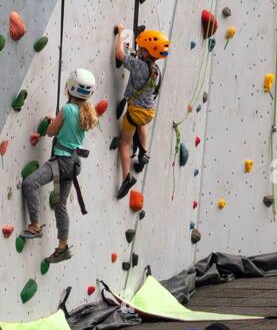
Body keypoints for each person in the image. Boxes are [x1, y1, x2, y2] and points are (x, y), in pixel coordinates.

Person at [21, 68, 99, 263]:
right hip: (74, 164)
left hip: (61, 162)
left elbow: (50, 132)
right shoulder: (86, 112)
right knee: (59, 205)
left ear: (70, 88)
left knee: (29, 184)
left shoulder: (67, 110)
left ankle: (35, 225)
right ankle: (63, 246)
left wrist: (52, 120)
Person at [114, 24, 168, 199]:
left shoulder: (138, 65)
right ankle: (144, 152)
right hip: (148, 112)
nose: (140, 50)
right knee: (141, 125)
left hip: (134, 112)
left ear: (146, 52)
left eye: (142, 48)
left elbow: (120, 55)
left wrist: (121, 35)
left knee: (124, 143)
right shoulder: (157, 71)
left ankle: (126, 177)